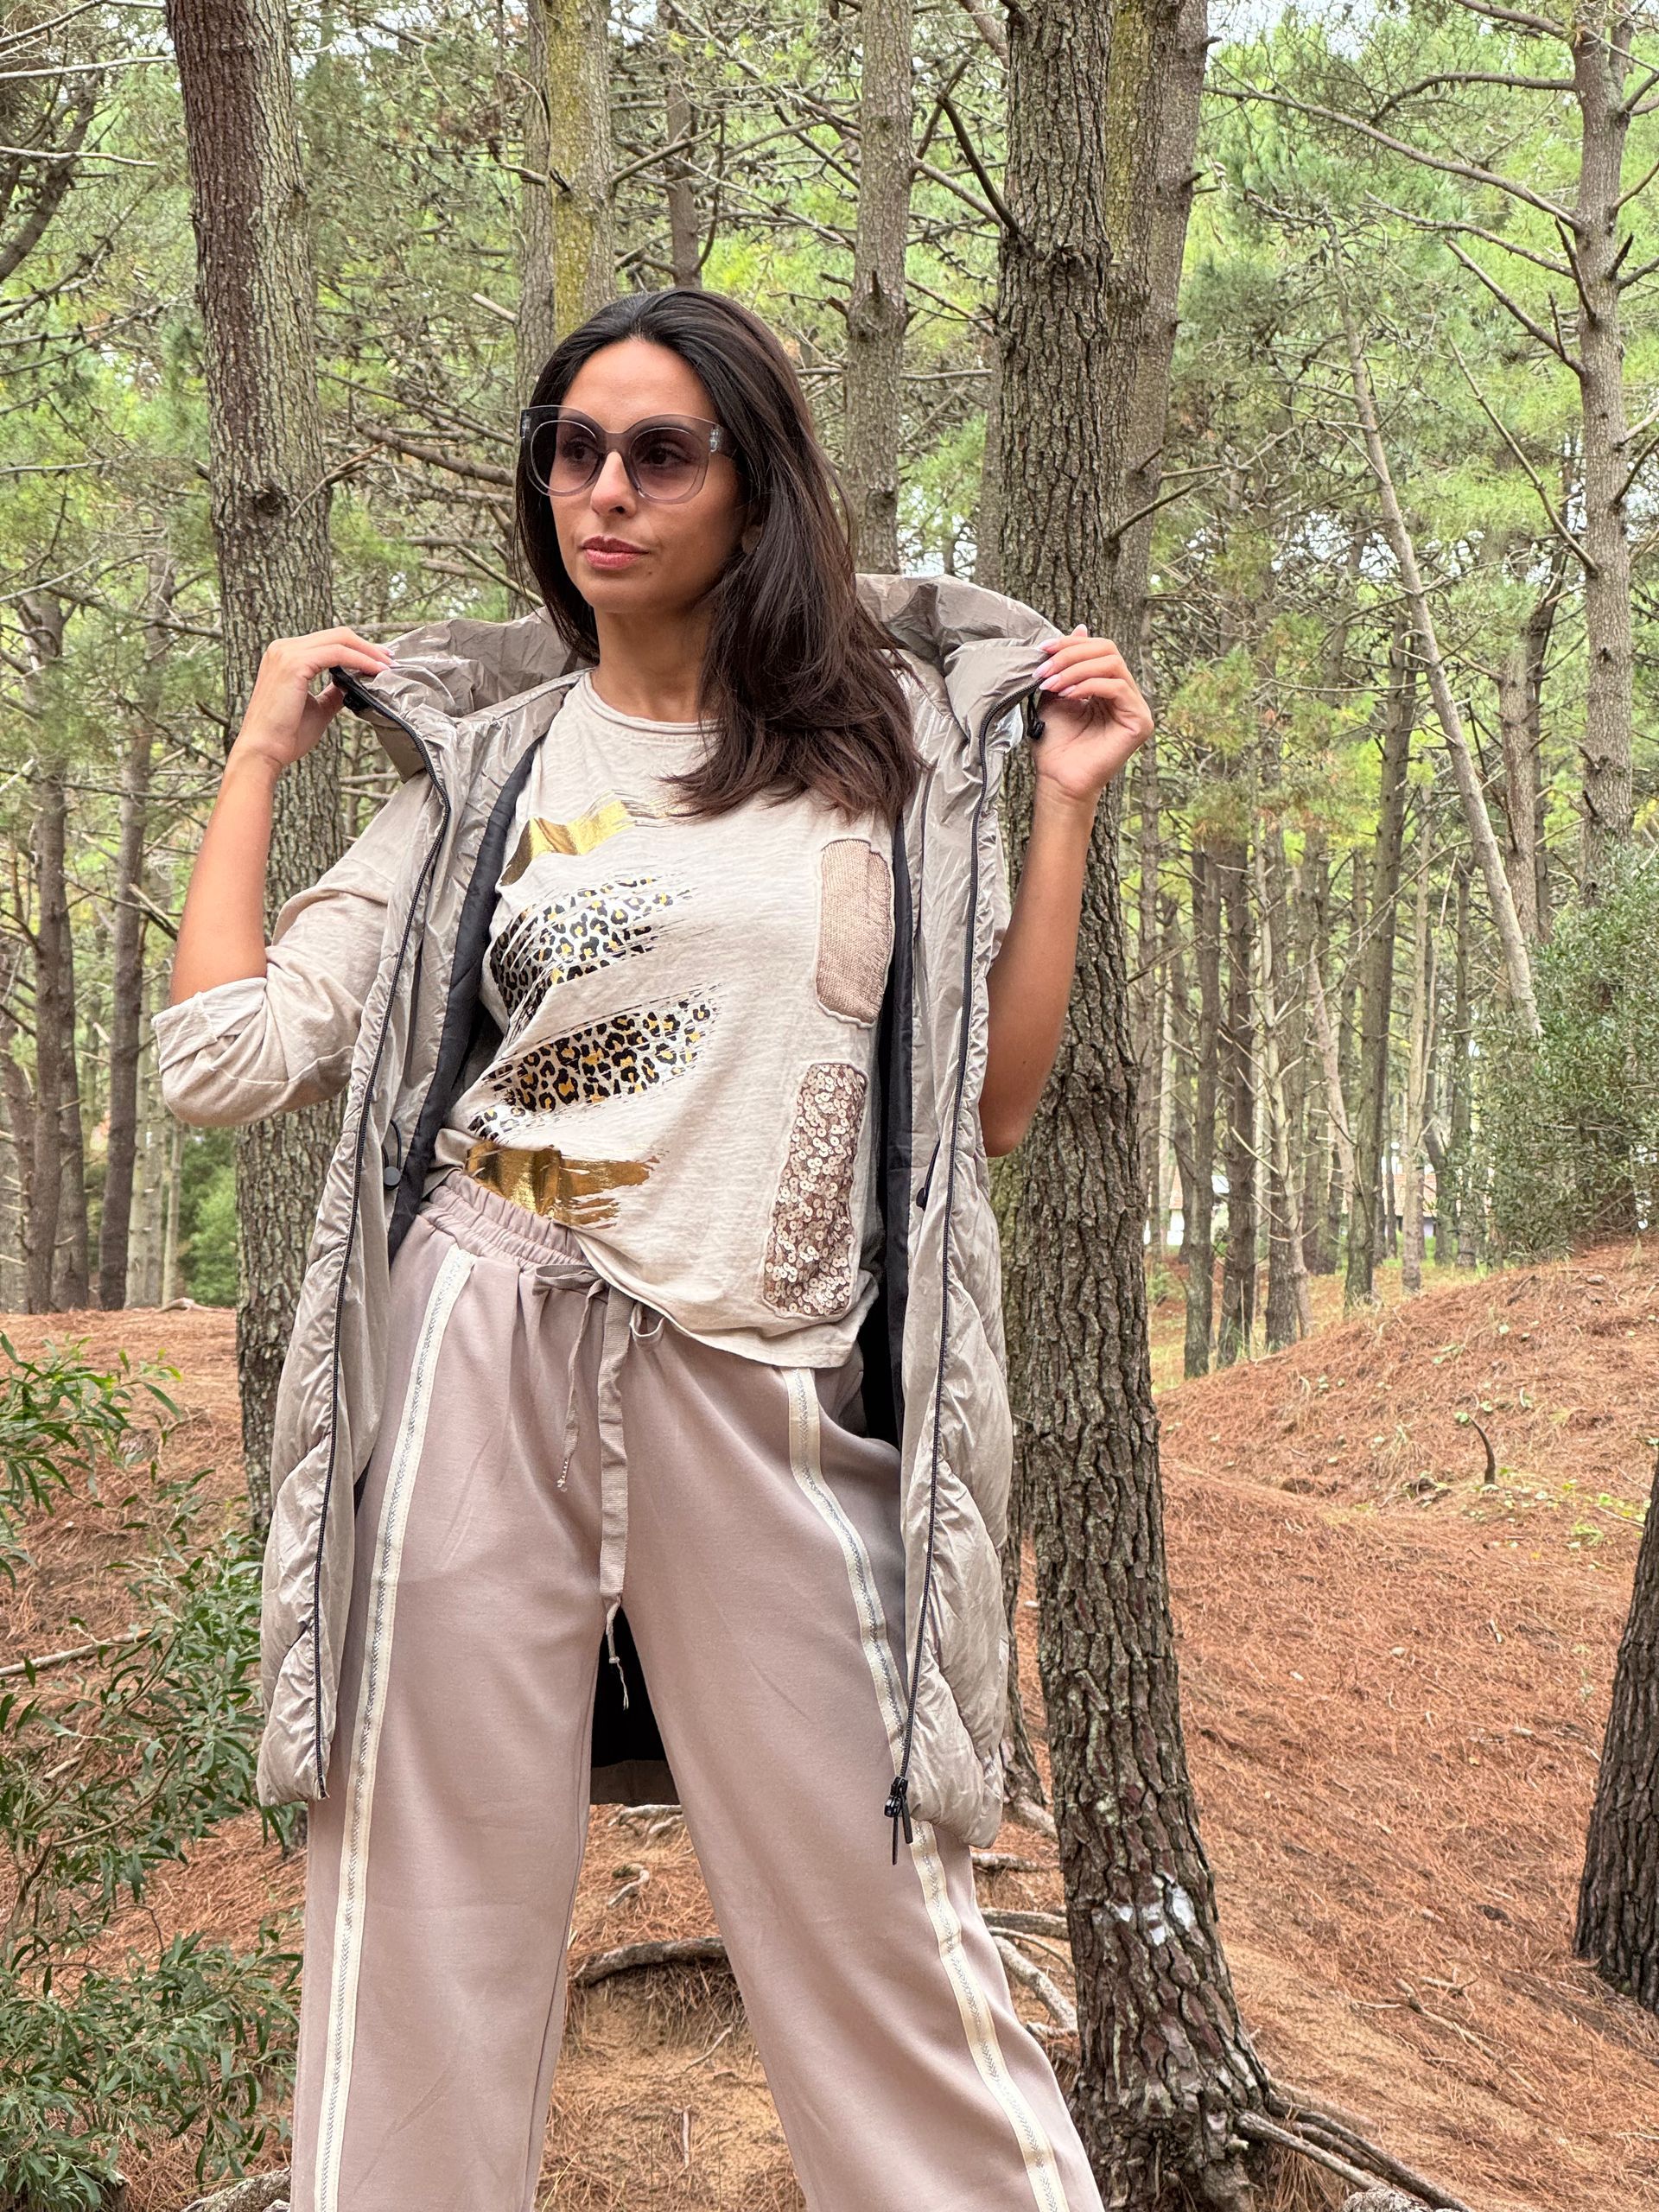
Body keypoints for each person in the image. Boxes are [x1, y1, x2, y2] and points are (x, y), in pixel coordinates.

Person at [156, 287, 1152, 2212]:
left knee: (883, 1902)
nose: (603, 489)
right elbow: (230, 1052)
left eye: (659, 451)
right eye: (573, 448)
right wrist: (263, 755)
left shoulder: (877, 763)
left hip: (758, 1376)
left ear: (752, 487)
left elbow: (992, 1107)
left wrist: (1064, 820)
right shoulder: (491, 776)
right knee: (426, 1900)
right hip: (480, 1337)